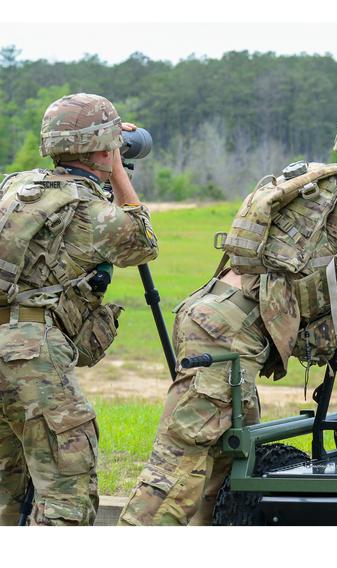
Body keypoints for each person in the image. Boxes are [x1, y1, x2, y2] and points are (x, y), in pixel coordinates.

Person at [119, 97, 337, 525]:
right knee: (177, 470)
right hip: (232, 332)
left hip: (219, 316)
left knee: (226, 467)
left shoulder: (315, 180)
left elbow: (329, 280)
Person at [0, 93, 158, 525]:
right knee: (66, 491)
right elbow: (144, 244)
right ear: (105, 149)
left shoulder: (14, 186)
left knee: (5, 486)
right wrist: (121, 175)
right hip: (31, 354)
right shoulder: (88, 209)